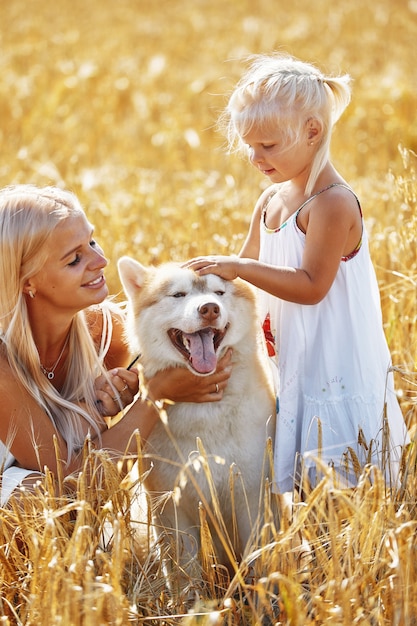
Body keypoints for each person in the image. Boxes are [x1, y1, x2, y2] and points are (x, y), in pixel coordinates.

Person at [185, 52, 408, 493]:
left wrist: (242, 266)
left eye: (268, 146)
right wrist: (198, 285)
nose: (254, 156)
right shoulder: (272, 200)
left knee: (340, 470)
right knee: (298, 452)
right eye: (249, 144)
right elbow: (243, 271)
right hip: (292, 353)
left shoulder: (332, 203)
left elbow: (311, 287)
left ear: (312, 132)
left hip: (333, 354)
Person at [0, 184, 232, 506]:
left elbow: (93, 482)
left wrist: (94, 410)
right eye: (74, 259)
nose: (101, 260)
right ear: (28, 281)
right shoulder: (2, 366)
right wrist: (154, 398)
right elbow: (73, 485)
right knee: (38, 501)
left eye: (91, 241)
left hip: (44, 489)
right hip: (20, 499)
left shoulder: (108, 333)